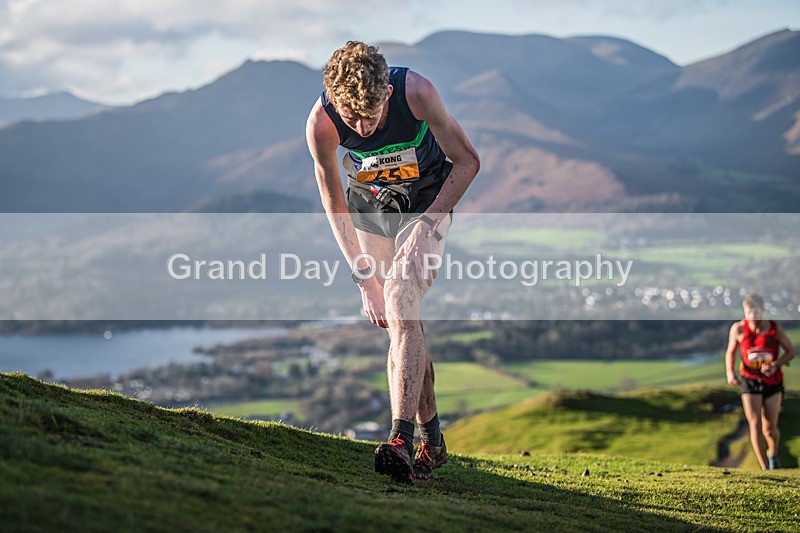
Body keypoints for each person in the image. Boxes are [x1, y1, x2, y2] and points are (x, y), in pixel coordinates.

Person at [306, 41, 480, 482]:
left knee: (403, 297)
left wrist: (428, 225)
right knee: (402, 321)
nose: (362, 130)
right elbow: (332, 200)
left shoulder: (416, 92)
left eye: (372, 115)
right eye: (352, 118)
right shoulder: (322, 123)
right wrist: (362, 275)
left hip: (426, 204)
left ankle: (400, 439)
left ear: (386, 93)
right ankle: (433, 441)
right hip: (371, 210)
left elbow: (467, 161)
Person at [725, 293, 795, 470]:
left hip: (772, 380)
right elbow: (731, 351)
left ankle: (773, 454)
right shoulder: (739, 329)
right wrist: (730, 372)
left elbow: (790, 351)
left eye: (756, 312)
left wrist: (775, 364)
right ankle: (765, 468)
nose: (753, 316)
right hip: (749, 380)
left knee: (770, 429)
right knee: (754, 424)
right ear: (744, 311)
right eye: (749, 312)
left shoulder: (773, 328)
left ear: (763, 311)